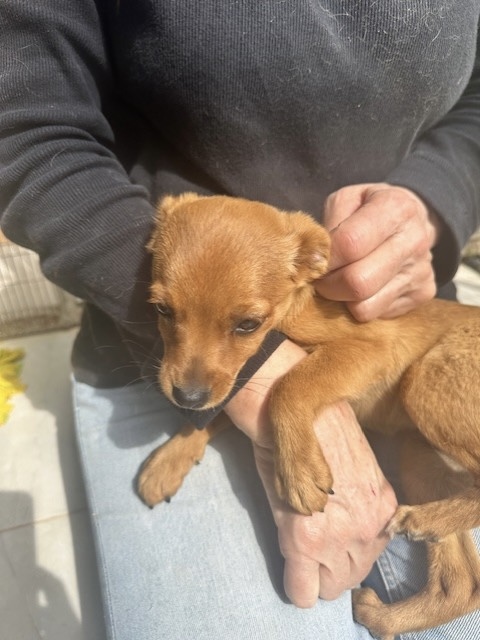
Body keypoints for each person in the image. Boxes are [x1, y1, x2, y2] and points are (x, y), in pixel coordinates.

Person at [1, 2, 480, 638]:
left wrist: (436, 198)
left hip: (436, 351)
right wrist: (207, 422)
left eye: (245, 325)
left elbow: (366, 352)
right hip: (126, 344)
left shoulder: (309, 283)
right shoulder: (181, 253)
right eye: (167, 310)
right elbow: (22, 131)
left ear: (312, 262)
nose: (189, 374)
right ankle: (453, 586)